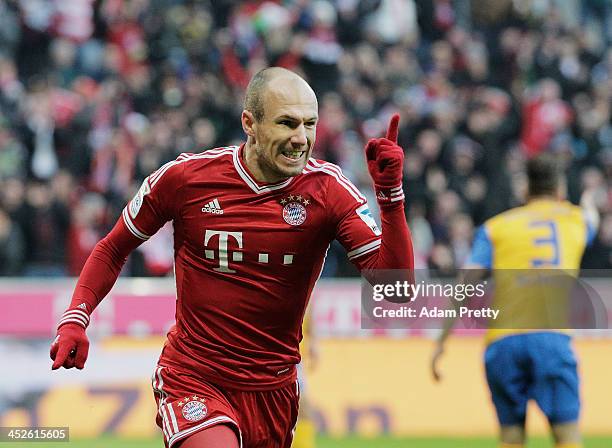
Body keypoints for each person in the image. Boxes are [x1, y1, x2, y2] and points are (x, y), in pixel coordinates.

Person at [50, 67, 414, 448]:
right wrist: (76, 318)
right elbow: (113, 247)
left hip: (273, 392)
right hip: (193, 377)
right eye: (287, 123)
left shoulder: (329, 190)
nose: (300, 138)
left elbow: (397, 290)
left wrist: (390, 195)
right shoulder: (186, 179)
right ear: (249, 123)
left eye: (310, 124)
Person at [431, 154, 599, 448]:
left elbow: (465, 284)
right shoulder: (575, 221)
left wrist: (441, 341)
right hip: (551, 338)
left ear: (524, 191)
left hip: (503, 342)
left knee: (510, 438)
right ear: (559, 190)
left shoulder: (496, 228)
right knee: (567, 435)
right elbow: (592, 216)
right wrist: (585, 199)